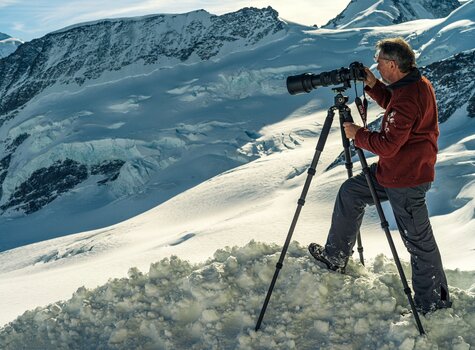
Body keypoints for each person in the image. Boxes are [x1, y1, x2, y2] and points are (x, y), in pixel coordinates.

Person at [308, 37, 451, 314]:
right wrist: (374, 85)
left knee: (418, 242)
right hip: (394, 171)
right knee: (351, 192)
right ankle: (336, 256)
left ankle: (433, 302)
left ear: (393, 64)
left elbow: (387, 143)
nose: (377, 66)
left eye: (380, 63)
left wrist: (357, 134)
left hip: (406, 179)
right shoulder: (413, 84)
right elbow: (395, 105)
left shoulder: (410, 97)